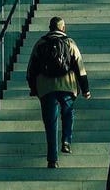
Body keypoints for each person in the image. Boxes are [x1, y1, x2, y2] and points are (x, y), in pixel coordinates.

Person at [26, 16, 91, 169]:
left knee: (50, 123)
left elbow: (31, 70)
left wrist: (33, 88)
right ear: (63, 28)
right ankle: (66, 140)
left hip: (46, 88)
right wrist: (86, 90)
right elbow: (80, 69)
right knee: (68, 113)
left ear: (49, 27)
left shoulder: (40, 44)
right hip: (67, 86)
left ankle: (52, 160)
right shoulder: (70, 43)